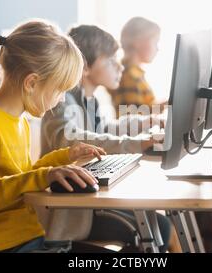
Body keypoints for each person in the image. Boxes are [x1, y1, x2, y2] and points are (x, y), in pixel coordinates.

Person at [0, 19, 106, 253]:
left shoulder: (19, 120)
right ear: (31, 83)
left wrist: (64, 158)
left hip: (22, 239)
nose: (60, 99)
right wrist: (45, 175)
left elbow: (19, 177)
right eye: (59, 89)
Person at [41, 25, 176, 253]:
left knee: (157, 225)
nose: (119, 65)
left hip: (89, 203)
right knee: (153, 230)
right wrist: (137, 144)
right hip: (70, 216)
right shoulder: (62, 101)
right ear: (85, 67)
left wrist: (147, 122)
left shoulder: (88, 99)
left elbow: (104, 129)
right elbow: (71, 140)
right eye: (111, 59)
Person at [108, 17, 164, 116]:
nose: (157, 48)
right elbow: (134, 118)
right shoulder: (129, 75)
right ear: (138, 42)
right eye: (155, 42)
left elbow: (143, 109)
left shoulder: (133, 73)